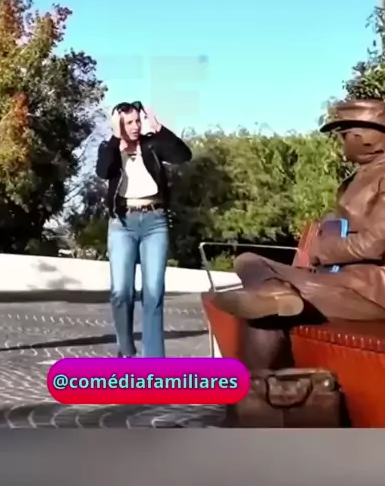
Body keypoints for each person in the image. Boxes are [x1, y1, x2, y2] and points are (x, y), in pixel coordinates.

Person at [205, 99, 385, 369]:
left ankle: (257, 389)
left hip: (369, 292)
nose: (340, 142)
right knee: (249, 261)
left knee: (261, 305)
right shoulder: (363, 175)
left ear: (363, 137)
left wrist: (320, 249)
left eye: (343, 134)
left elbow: (373, 245)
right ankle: (274, 293)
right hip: (344, 281)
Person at [96, 101, 192, 357]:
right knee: (121, 292)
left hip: (154, 222)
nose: (135, 126)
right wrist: (115, 140)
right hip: (122, 224)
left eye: (137, 120)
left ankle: (154, 361)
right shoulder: (110, 149)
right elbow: (103, 171)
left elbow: (184, 156)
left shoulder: (152, 144)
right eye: (128, 122)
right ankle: (126, 352)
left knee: (153, 292)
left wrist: (161, 130)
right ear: (118, 124)